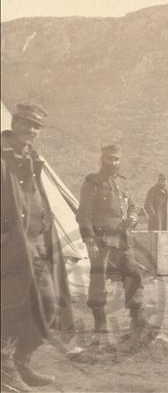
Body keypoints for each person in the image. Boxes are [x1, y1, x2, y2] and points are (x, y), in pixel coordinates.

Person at [1, 103, 73, 391]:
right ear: (14, 122)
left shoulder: (32, 159)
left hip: (34, 246)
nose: (30, 130)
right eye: (26, 123)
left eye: (36, 126)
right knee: (9, 306)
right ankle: (5, 372)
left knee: (48, 303)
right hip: (7, 249)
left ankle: (22, 359)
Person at [76, 144, 147, 333]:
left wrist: (132, 216)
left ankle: (136, 317)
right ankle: (100, 319)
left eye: (116, 159)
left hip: (122, 238)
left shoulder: (122, 182)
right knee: (99, 278)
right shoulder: (93, 182)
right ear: (101, 160)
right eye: (109, 158)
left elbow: (132, 205)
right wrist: (89, 240)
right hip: (100, 239)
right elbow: (83, 214)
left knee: (133, 271)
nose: (113, 162)